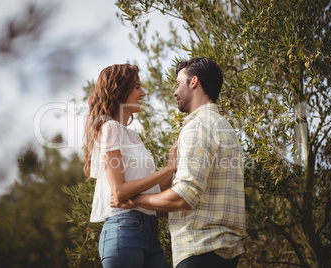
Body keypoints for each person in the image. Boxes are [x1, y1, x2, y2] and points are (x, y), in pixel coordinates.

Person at [111, 58, 246, 268]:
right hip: (226, 251)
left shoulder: (197, 127)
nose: (175, 92)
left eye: (178, 84)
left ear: (194, 82)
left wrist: (135, 200)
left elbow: (184, 197)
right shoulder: (225, 127)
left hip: (200, 249)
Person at [83, 64, 176, 268]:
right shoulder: (110, 128)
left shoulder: (133, 136)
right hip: (124, 229)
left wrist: (175, 164)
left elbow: (155, 190)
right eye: (136, 87)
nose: (142, 93)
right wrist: (167, 169)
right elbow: (120, 191)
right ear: (120, 90)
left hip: (150, 232)